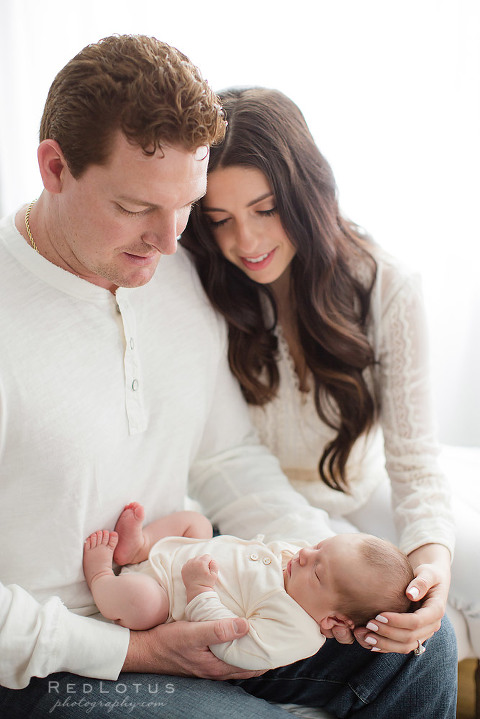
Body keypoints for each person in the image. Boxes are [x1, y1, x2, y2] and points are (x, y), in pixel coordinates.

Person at [0, 36, 457, 718]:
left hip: (190, 590)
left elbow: (225, 457)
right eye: (136, 207)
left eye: (185, 206)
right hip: (61, 657)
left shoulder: (177, 275)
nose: (168, 238)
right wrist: (140, 653)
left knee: (421, 649)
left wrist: (323, 564)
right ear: (55, 166)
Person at [182, 85, 478, 663]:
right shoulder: (209, 288)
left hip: (362, 494)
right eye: (220, 220)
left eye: (265, 210)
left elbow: (415, 465)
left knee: (443, 588)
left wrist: (431, 568)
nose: (246, 241)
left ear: (306, 193)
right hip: (266, 522)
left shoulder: (387, 287)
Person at [83, 503, 414, 670]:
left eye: (316, 570)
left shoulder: (296, 631)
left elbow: (231, 643)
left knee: (142, 602)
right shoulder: (297, 561)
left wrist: (200, 592)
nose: (303, 555)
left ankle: (101, 576)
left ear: (334, 622)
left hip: (167, 596)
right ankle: (141, 546)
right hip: (183, 552)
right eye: (318, 547)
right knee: (195, 522)